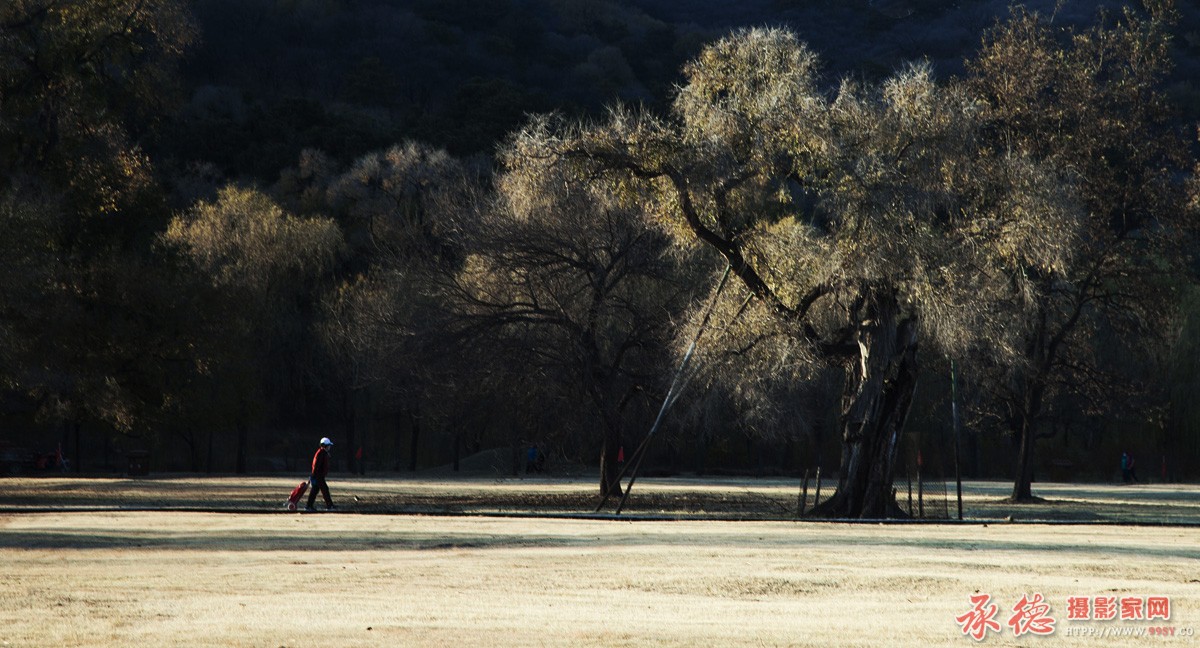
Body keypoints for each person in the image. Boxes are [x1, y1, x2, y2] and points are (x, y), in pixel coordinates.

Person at [306, 437, 335, 511]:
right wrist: (314, 475)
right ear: (325, 445)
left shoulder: (322, 453)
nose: (329, 447)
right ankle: (330, 505)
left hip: (318, 475)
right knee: (325, 490)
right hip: (318, 476)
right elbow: (316, 465)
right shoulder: (321, 453)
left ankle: (309, 506)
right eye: (328, 445)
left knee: (315, 491)